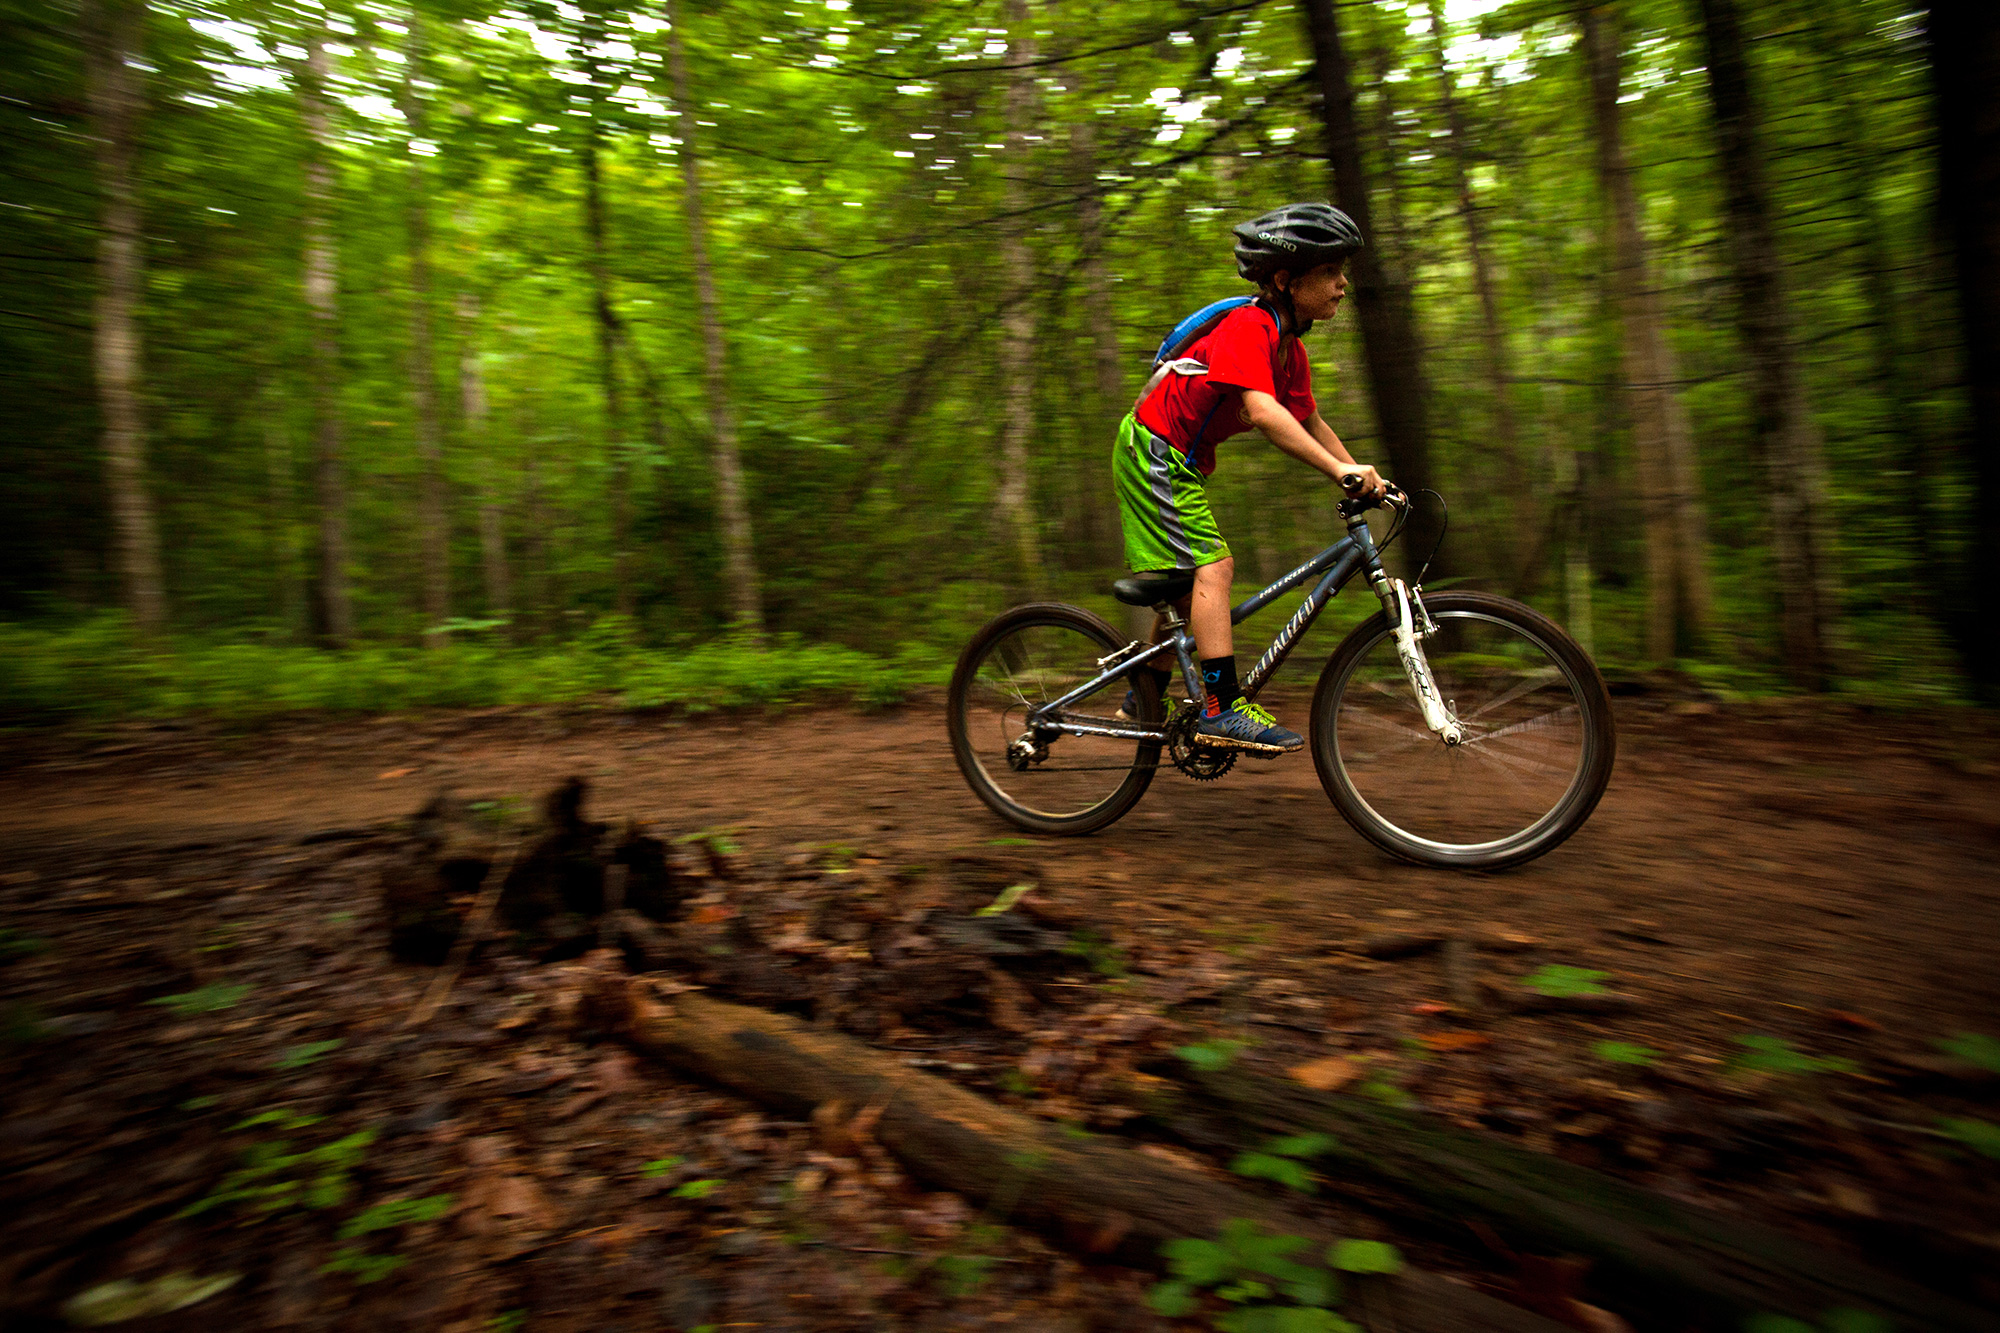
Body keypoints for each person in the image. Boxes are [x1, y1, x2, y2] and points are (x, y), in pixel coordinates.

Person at [1112, 202, 1386, 751]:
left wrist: (1359, 474)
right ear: (1285, 280)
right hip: (1154, 450)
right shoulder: (1248, 326)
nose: (1342, 284)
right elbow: (1264, 413)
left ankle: (1144, 696)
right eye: (1329, 272)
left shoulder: (1290, 349)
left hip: (1175, 458)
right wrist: (1338, 470)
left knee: (1187, 583)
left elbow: (1308, 418)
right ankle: (1220, 708)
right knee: (1214, 568)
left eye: (1342, 272)